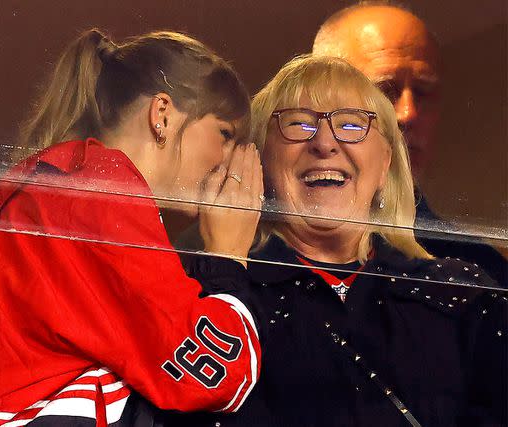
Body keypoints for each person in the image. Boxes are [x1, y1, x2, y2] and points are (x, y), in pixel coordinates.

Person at [0, 29, 264, 426]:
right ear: (162, 114)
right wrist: (229, 257)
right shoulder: (103, 187)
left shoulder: (37, 185)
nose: (230, 159)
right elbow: (210, 375)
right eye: (226, 134)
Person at [167, 56, 507, 427]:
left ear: (385, 165)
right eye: (299, 123)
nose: (325, 143)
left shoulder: (460, 293)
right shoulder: (203, 291)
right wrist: (224, 265)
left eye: (350, 124)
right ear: (259, 162)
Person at [312, 2, 507, 286]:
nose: (407, 113)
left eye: (423, 92)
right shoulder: (252, 241)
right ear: (315, 100)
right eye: (384, 90)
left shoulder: (478, 271)